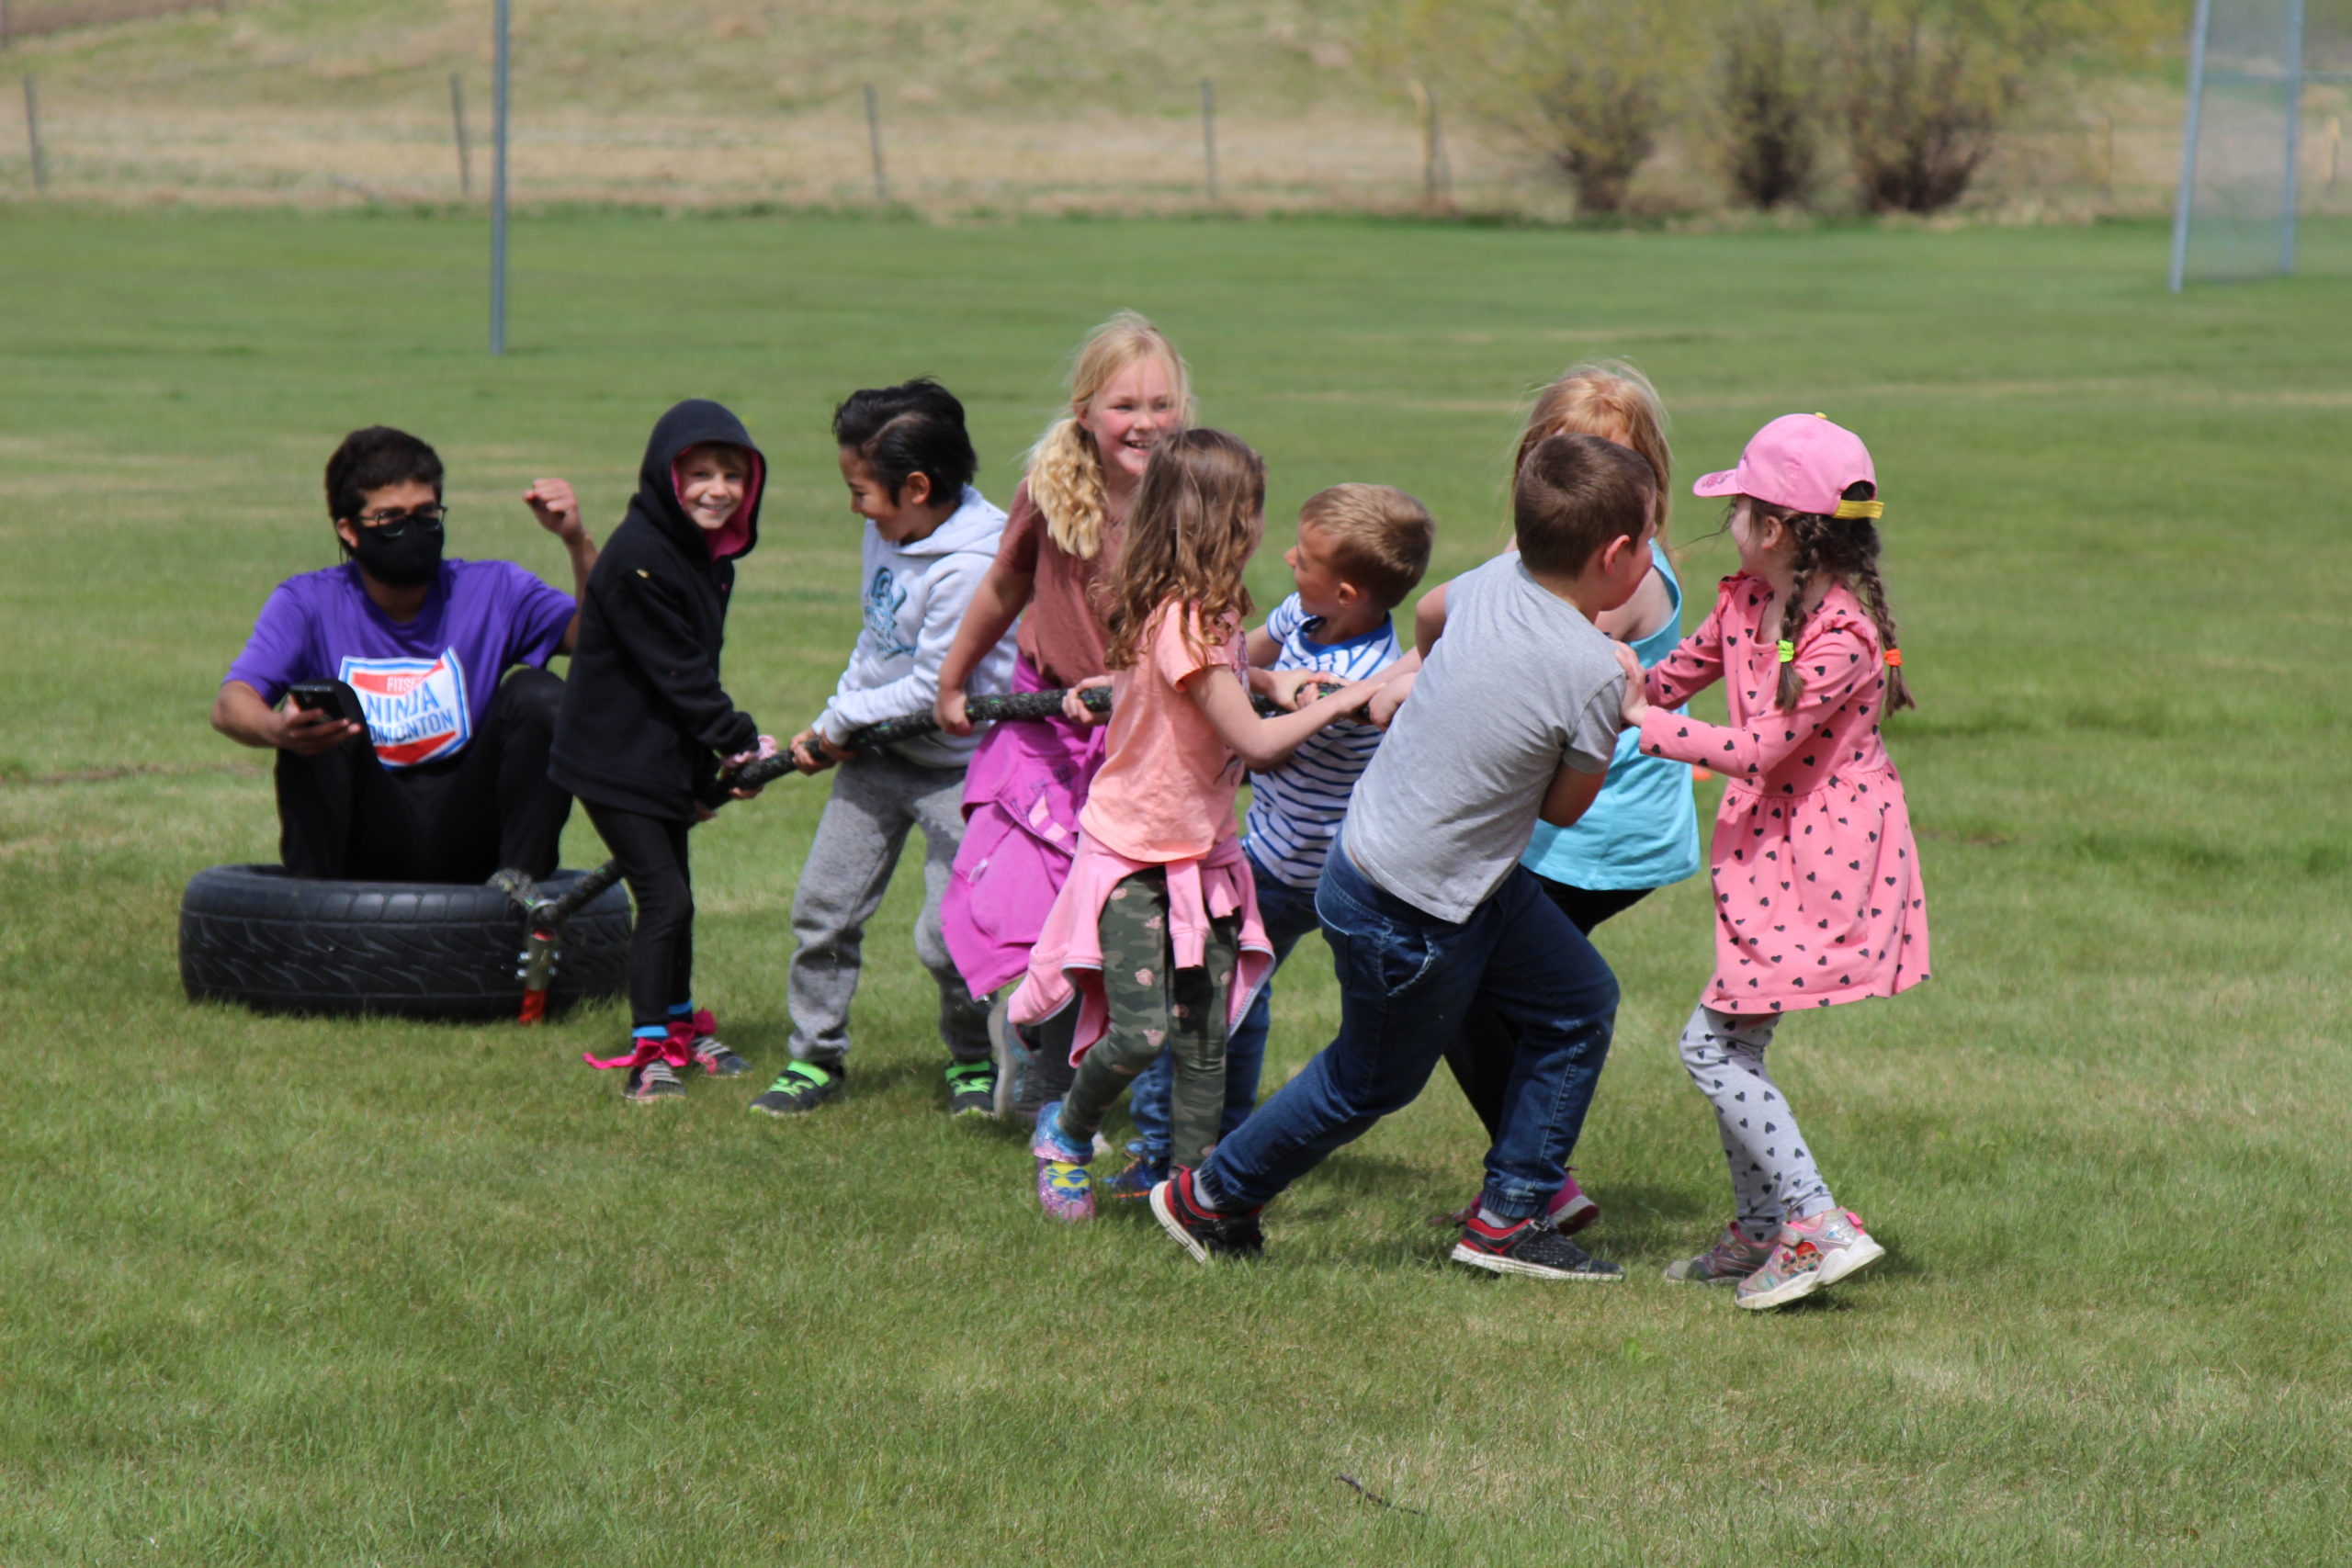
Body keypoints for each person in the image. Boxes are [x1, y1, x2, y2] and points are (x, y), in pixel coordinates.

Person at [1151, 434, 1656, 1280]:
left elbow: (1433, 615)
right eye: (1648, 541)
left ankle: (1510, 1213)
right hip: (1414, 906)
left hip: (1430, 870)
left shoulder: (1495, 578)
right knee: (1367, 1081)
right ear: (1615, 555)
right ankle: (1208, 1197)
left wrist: (1426, 680)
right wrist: (1623, 709)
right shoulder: (1595, 673)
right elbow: (1563, 808)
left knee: (1577, 1000)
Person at [1008, 430, 1381, 1222]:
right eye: (1254, 511)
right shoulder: (1184, 620)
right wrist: (1346, 698)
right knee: (1141, 1034)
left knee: (1206, 1037)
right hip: (1135, 855)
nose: (1264, 531)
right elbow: (1256, 745)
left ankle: (1189, 1190)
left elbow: (1211, 683)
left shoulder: (1209, 614)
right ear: (1222, 522)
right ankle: (1065, 1135)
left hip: (1200, 852)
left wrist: (1268, 679)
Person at [1618, 412, 1925, 1309]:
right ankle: (1759, 1231)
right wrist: (1605, 676)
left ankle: (1814, 1222)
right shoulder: (1745, 601)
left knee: (1710, 1047)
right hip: (1771, 850)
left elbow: (1758, 750)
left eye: (1741, 507)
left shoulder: (1841, 636)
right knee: (1735, 1044)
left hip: (1825, 858)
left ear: (1778, 529)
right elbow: (1670, 677)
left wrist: (1642, 724)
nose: (1731, 522)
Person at [1410, 362, 1702, 1235]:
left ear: (1647, 483)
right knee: (1467, 984)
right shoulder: (1538, 550)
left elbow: (1498, 642)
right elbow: (1454, 625)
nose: (1587, 482)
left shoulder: (1623, 577)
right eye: (1565, 457)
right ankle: (1529, 1177)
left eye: (1611, 460)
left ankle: (1533, 1182)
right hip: (1555, 817)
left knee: (1466, 980)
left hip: (1600, 830)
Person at [1104, 483, 1434, 1200]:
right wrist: (1232, 676)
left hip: (1292, 870)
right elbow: (1232, 662)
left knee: (1193, 998)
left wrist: (1291, 693)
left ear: (1347, 592)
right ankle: (1216, 1143)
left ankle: (1160, 1155)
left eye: (1304, 558)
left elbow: (1262, 746)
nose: (1287, 557)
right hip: (1274, 850)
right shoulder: (1307, 614)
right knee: (1237, 1001)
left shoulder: (1357, 681)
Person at [931, 311, 1192, 1120]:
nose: (1145, 422)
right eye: (1124, 405)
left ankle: (1063, 1094)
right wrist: (952, 679)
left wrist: (1132, 678)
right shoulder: (1051, 488)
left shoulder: (1194, 496)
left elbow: (1203, 621)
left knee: (1112, 924)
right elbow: (1004, 585)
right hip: (1043, 728)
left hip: (1138, 736)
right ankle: (1030, 1048)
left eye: (1161, 404)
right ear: (1085, 411)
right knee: (1027, 906)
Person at [749, 379, 1019, 1118]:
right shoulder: (891, 529)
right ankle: (814, 1059)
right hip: (878, 759)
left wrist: (839, 722)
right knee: (824, 910)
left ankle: (972, 1061)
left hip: (963, 773)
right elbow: (876, 645)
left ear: (919, 487)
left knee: (951, 937)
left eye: (860, 492)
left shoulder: (972, 565)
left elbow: (934, 688)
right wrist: (834, 721)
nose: (855, 508)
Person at [212, 424, 596, 883]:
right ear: (349, 530)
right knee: (322, 703)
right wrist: (280, 730)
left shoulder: (494, 590)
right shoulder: (308, 603)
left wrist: (577, 541)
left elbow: (596, 641)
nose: (412, 531)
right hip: (360, 839)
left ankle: (518, 888)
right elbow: (230, 703)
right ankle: (315, 905)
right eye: (390, 518)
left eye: (426, 514)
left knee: (541, 694)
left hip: (471, 830)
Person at [550, 400, 775, 1104]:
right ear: (666, 478)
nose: (718, 489)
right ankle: (649, 1055)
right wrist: (738, 740)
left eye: (732, 475)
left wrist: (707, 772)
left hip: (656, 754)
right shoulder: (639, 557)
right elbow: (677, 670)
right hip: (610, 758)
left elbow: (690, 673)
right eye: (699, 474)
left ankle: (679, 1027)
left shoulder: (707, 560)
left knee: (678, 898)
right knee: (664, 898)